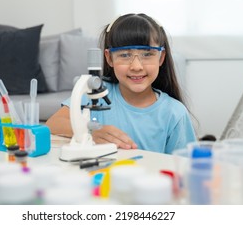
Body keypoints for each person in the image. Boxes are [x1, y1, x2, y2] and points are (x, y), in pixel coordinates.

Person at [46, 13, 197, 154]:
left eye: (147, 54)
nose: (136, 66)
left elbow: (185, 166)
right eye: (125, 55)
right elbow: (53, 123)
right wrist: (91, 131)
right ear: (109, 58)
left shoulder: (174, 113)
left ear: (161, 57)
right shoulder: (97, 93)